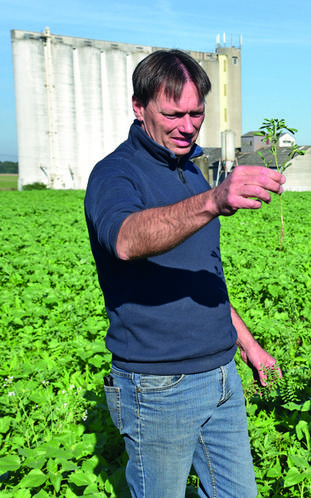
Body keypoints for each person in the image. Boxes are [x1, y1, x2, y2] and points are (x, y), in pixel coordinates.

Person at [84, 49, 285, 498]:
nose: (189, 125)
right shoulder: (115, 175)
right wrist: (213, 201)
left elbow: (203, 276)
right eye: (173, 113)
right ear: (139, 108)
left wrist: (249, 345)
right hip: (159, 385)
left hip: (221, 375)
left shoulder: (191, 175)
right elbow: (126, 239)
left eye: (197, 113)